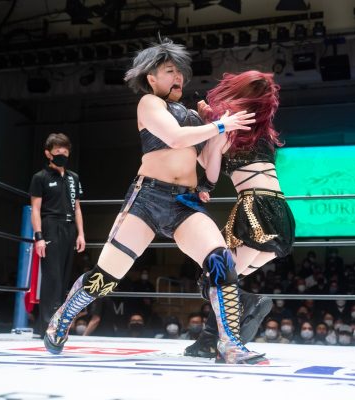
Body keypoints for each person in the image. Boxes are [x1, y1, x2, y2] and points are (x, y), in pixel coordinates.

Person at [42, 38, 267, 364]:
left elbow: (210, 170)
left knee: (221, 260)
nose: (178, 77)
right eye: (169, 71)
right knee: (105, 278)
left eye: (180, 72)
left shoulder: (194, 116)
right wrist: (218, 124)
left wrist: (220, 135)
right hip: (147, 199)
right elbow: (174, 138)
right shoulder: (149, 104)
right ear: (151, 78)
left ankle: (229, 344)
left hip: (185, 203)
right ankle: (63, 316)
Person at [184, 70, 296, 358]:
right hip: (280, 210)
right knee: (225, 280)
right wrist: (211, 127)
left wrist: (207, 129)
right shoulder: (262, 131)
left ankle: (245, 309)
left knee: (215, 277)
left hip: (255, 206)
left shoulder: (228, 127)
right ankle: (207, 341)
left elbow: (209, 173)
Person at [29, 133, 86, 335]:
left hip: (69, 228)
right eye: (58, 151)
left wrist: (81, 234)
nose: (62, 154)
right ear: (48, 153)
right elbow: (35, 209)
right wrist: (39, 237)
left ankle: (56, 325)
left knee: (63, 277)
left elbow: (77, 208)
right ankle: (46, 327)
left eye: (65, 151)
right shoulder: (40, 177)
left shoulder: (73, 178)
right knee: (52, 277)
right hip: (50, 226)